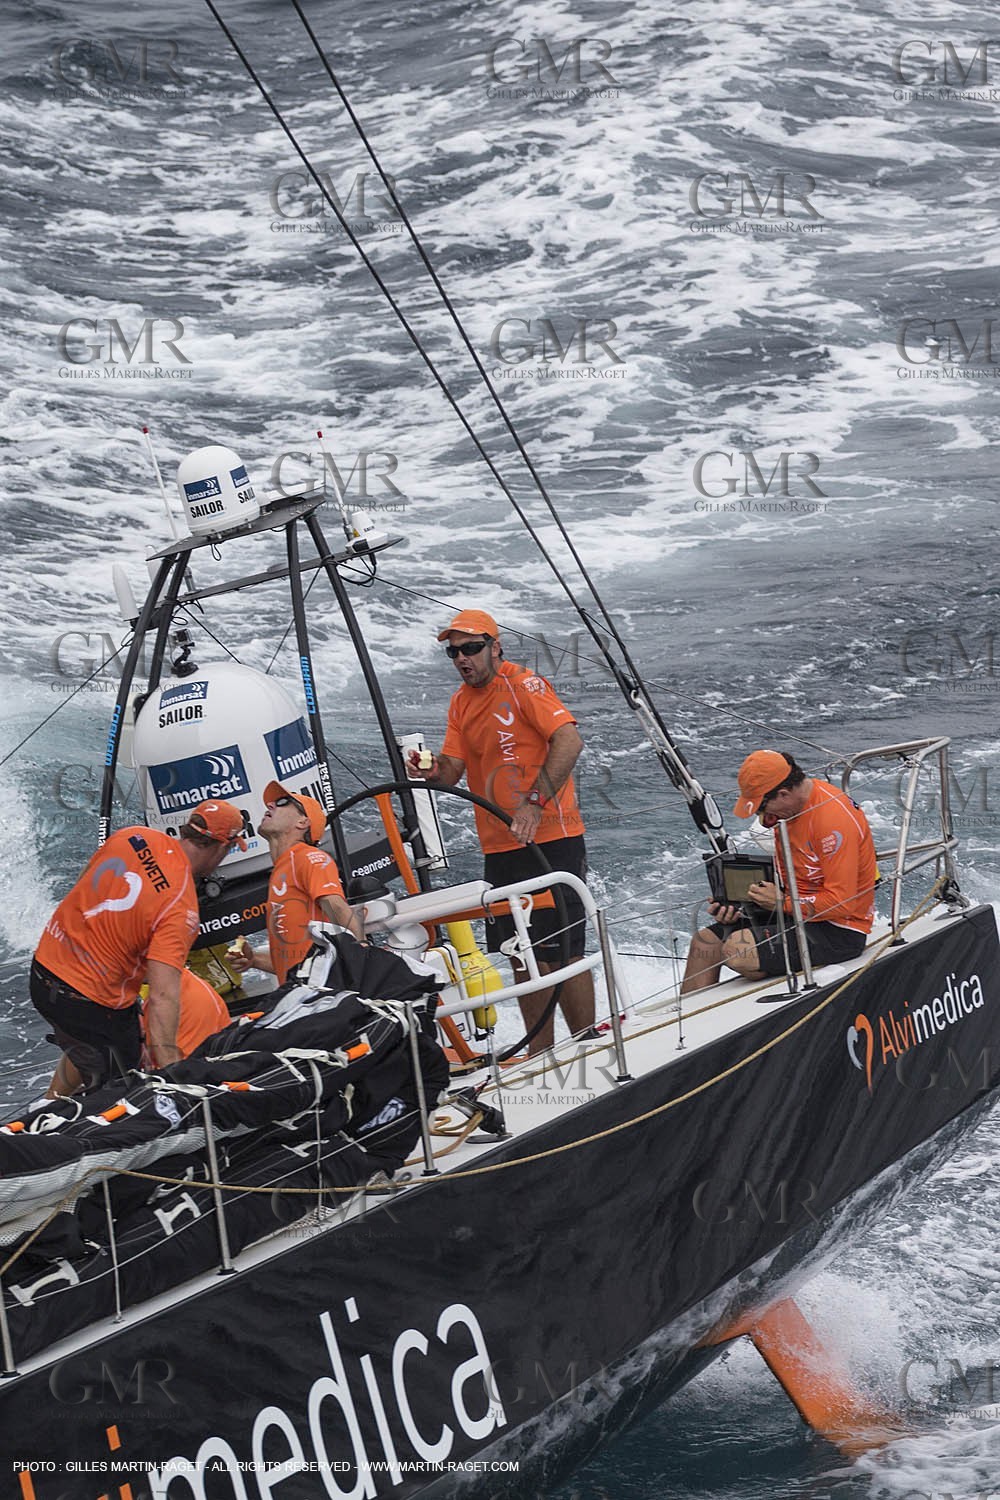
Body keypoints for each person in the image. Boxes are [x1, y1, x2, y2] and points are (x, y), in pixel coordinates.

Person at [408, 608, 595, 1054]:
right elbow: (451, 771)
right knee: (519, 950)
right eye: (454, 652)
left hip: (553, 837)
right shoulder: (460, 702)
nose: (461, 658)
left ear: (496, 646)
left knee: (561, 948)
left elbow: (569, 740)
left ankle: (590, 1044)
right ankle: (540, 1053)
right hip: (502, 846)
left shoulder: (524, 683)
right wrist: (427, 767)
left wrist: (534, 804)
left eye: (471, 648)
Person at [32, 800, 246, 1094]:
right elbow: (162, 998)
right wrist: (175, 1082)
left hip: (43, 974)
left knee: (89, 1050)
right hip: (89, 1004)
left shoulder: (133, 836)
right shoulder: (180, 908)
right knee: (126, 1096)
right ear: (223, 847)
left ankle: (48, 1110)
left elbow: (83, 884)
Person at [681, 750, 878, 993]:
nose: (763, 820)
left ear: (783, 794)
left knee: (737, 951)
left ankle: (768, 975)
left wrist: (781, 902)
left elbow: (842, 903)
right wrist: (738, 908)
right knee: (705, 943)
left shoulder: (832, 823)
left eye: (763, 809)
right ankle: (687, 1029)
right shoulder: (793, 809)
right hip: (796, 911)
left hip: (839, 928)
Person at [226, 782, 363, 985]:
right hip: (302, 994)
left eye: (283, 802)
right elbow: (294, 964)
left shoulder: (308, 857)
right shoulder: (283, 869)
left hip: (319, 997)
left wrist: (364, 961)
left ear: (303, 822)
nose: (271, 805)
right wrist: (253, 960)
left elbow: (338, 909)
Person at [47, 968, 232, 1098]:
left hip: (187, 1091)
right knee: (91, 1037)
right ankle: (48, 1103)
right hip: (150, 1078)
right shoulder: (161, 991)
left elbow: (184, 1079)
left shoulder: (190, 1002)